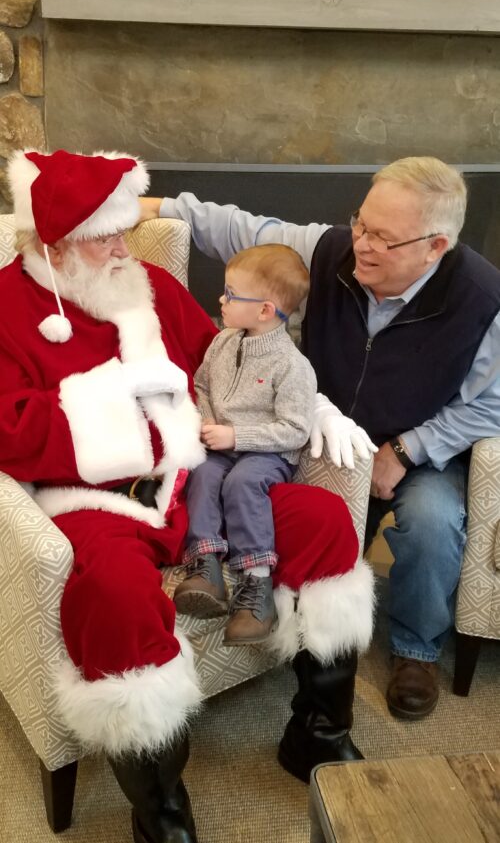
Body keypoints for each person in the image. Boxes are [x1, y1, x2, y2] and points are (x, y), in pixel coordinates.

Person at [0, 149, 375, 843]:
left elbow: (225, 357)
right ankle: (161, 809)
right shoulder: (6, 307)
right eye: (106, 237)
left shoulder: (149, 287)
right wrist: (121, 404)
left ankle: (317, 733)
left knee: (323, 517)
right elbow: (9, 428)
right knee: (115, 593)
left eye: (124, 231)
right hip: (94, 502)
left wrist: (312, 405)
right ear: (56, 244)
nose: (125, 248)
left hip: (198, 479)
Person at [141, 155, 500, 721]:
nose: (362, 244)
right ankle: (281, 616)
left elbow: (490, 406)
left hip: (415, 445)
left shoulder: (482, 300)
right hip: (316, 433)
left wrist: (407, 450)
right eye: (361, 223)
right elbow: (245, 231)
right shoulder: (332, 251)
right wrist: (158, 205)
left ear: (435, 246)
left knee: (432, 522)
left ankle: (416, 649)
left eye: (383, 238)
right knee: (260, 495)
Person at [174, 244, 317, 646]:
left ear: (265, 311)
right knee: (203, 472)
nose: (221, 300)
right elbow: (202, 384)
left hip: (267, 454)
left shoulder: (292, 366)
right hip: (221, 446)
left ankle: (256, 585)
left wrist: (237, 435)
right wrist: (206, 419)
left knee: (242, 483)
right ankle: (206, 565)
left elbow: (295, 430)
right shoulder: (222, 343)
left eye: (231, 294)